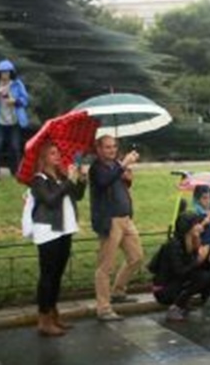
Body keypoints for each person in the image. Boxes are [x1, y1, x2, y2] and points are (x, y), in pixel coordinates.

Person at [29, 142, 86, 336]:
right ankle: (43, 319)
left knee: (57, 275)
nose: (57, 156)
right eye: (52, 153)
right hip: (48, 232)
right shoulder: (39, 179)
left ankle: (53, 314)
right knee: (48, 276)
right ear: (43, 157)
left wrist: (81, 179)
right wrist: (69, 181)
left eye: (58, 153)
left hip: (65, 229)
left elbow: (77, 196)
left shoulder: (61, 176)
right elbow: (51, 201)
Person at [89, 135, 144, 321]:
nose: (111, 150)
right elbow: (104, 182)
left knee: (136, 257)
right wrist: (123, 165)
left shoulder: (115, 165)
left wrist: (127, 177)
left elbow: (120, 185)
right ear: (99, 149)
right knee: (105, 267)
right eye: (107, 147)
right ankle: (103, 308)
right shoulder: (96, 168)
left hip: (126, 219)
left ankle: (118, 292)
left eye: (114, 147)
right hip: (109, 221)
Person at [152, 212, 210, 322]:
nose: (200, 226)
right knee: (202, 278)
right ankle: (175, 308)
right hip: (165, 288)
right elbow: (180, 271)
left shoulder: (192, 241)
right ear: (188, 227)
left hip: (178, 282)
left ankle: (191, 301)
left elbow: (195, 268)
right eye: (197, 224)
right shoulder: (174, 245)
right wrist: (198, 260)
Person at [0, 59, 30, 179]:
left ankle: (16, 172)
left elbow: (25, 100)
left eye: (7, 72)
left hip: (14, 121)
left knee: (14, 146)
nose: (5, 75)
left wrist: (15, 101)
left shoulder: (17, 84)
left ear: (11, 73)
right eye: (2, 72)